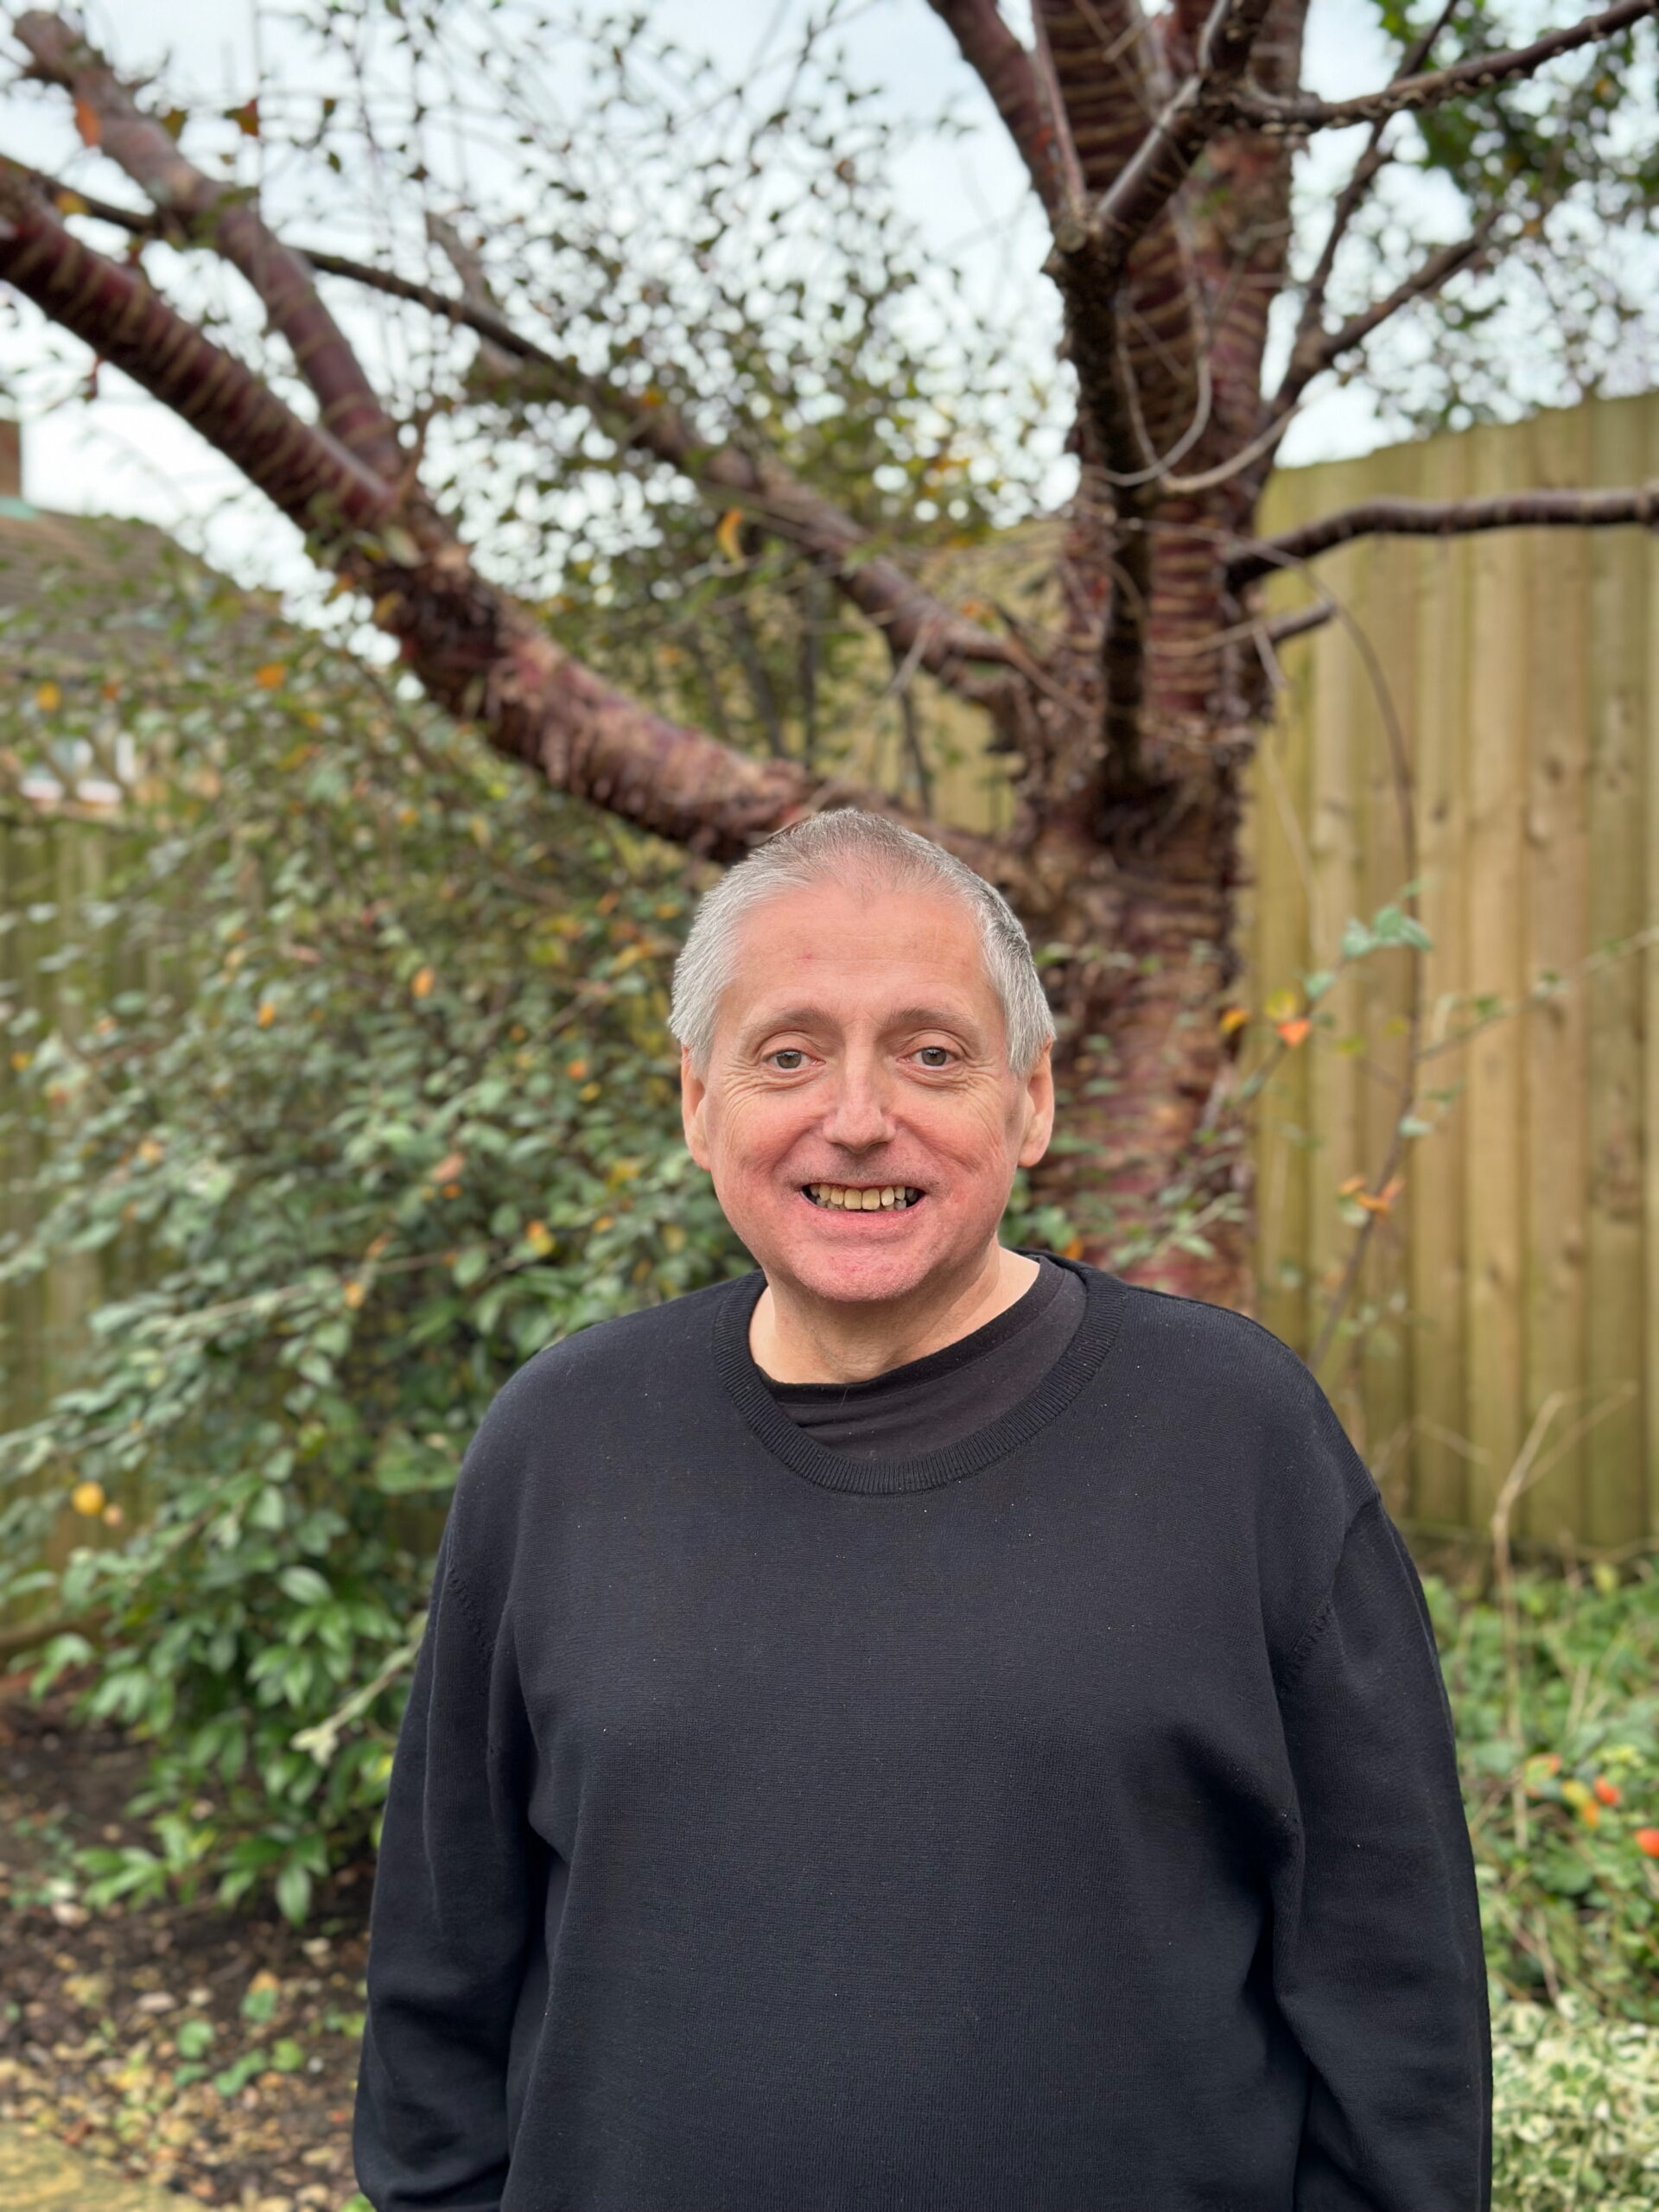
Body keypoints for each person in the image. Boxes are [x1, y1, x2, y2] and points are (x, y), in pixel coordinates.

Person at [353, 808, 1491, 2212]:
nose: (856, 1116)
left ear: (1032, 1099)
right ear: (697, 1103)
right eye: (788, 1053)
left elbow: (1398, 2005)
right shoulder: (563, 1445)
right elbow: (437, 1990)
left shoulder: (1233, 1439)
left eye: (931, 1052)